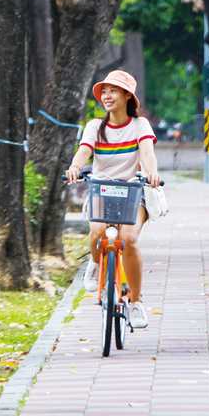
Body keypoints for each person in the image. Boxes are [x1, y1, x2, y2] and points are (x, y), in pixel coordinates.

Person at [65, 69, 159, 328]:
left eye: (113, 91)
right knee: (97, 233)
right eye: (104, 91)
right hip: (101, 190)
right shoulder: (96, 126)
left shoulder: (140, 125)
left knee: (129, 239)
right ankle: (95, 265)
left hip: (132, 191)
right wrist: (75, 167)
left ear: (128, 95)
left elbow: (147, 154)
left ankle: (137, 303)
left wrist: (151, 173)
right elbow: (83, 152)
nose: (107, 96)